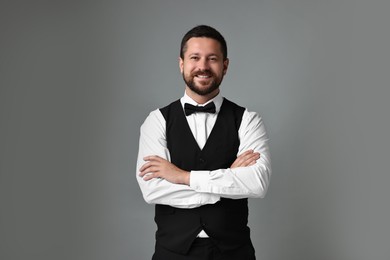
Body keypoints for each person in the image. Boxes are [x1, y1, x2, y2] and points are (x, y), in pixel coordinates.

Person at [136, 25, 271, 260]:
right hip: (172, 253)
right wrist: (228, 180)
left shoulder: (248, 120)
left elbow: (257, 183)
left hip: (234, 252)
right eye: (195, 58)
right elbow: (152, 190)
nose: (203, 67)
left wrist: (183, 177)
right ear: (181, 63)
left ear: (225, 65)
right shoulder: (156, 121)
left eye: (212, 59)